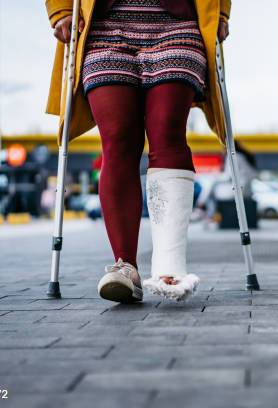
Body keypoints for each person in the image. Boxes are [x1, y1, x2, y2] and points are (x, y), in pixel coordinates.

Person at [45, 0, 232, 302]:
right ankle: (125, 267)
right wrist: (61, 11)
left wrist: (221, 12)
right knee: (117, 139)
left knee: (168, 132)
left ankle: (169, 267)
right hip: (103, 28)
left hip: (177, 24)